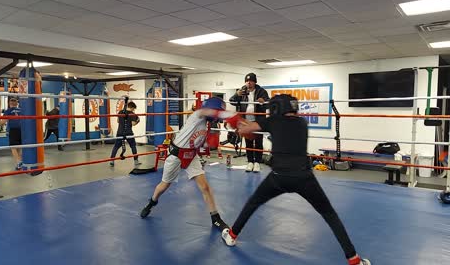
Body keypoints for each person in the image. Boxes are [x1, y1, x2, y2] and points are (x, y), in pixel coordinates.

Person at [221, 94, 371, 265]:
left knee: (253, 203)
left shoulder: (273, 121)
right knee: (329, 214)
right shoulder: (302, 123)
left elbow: (245, 130)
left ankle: (232, 236)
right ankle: (354, 259)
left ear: (276, 108)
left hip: (278, 177)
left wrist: (234, 120)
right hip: (304, 178)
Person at [139, 97, 242, 231]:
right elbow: (208, 112)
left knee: (205, 187)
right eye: (217, 112)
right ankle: (152, 202)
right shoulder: (197, 115)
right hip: (176, 155)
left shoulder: (208, 124)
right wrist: (230, 115)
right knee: (163, 186)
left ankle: (215, 218)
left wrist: (234, 123)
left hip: (191, 155)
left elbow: (212, 125)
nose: (217, 117)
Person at [229, 73, 269, 173]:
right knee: (249, 142)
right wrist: (237, 95)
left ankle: (257, 163)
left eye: (250, 81)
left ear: (255, 82)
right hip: (246, 121)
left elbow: (268, 103)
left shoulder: (261, 91)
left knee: (258, 142)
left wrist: (263, 101)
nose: (248, 83)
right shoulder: (242, 91)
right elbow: (232, 101)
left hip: (258, 121)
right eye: (247, 81)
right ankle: (250, 162)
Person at [110, 101, 140, 167]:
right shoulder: (132, 114)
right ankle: (136, 161)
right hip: (128, 132)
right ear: (131, 107)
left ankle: (112, 161)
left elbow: (118, 121)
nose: (133, 110)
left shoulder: (121, 112)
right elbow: (133, 124)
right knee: (133, 146)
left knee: (116, 147)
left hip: (120, 132)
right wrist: (138, 120)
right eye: (133, 109)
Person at [0, 98, 23, 170]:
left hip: (14, 130)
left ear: (9, 104)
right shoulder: (21, 110)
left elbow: (4, 121)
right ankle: (20, 164)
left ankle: (19, 162)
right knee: (18, 147)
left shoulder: (8, 111)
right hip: (22, 130)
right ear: (17, 104)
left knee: (13, 147)